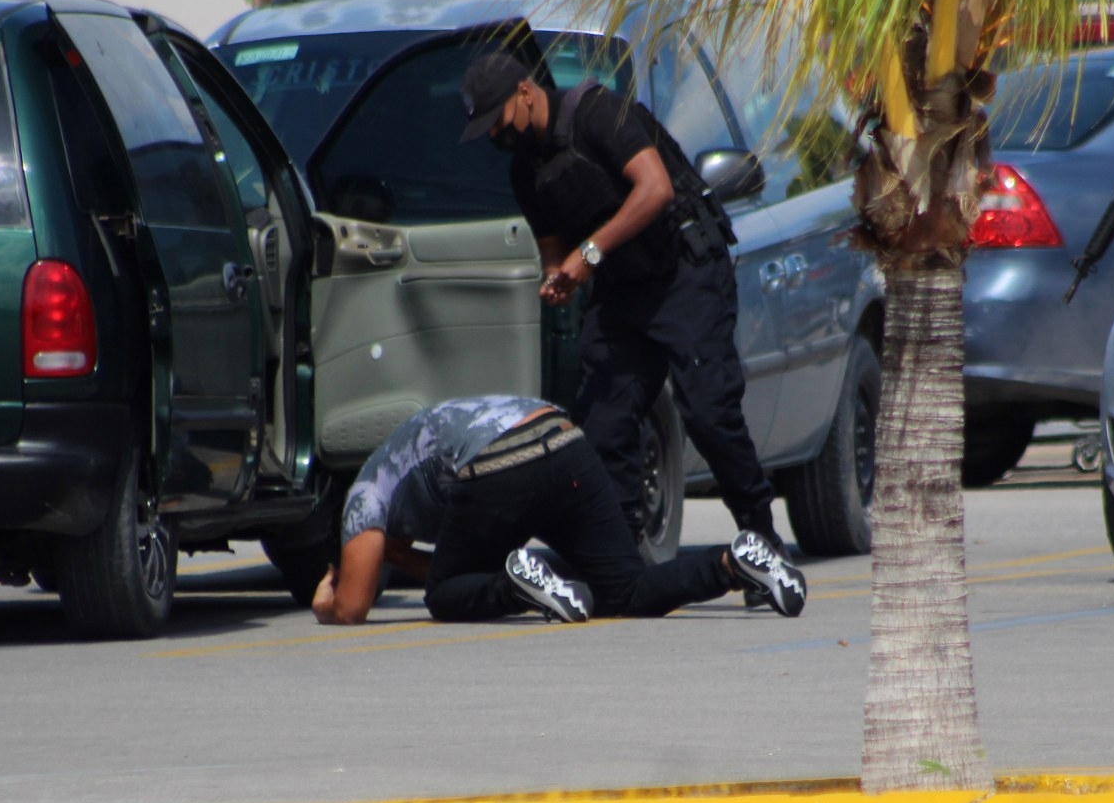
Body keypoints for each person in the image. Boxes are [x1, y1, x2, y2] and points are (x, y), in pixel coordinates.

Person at [457, 53, 785, 558]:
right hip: (623, 287)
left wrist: (587, 254)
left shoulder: (595, 113)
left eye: (498, 120)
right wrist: (556, 279)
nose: (498, 136)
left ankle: (762, 539)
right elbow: (552, 249)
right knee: (602, 422)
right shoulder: (526, 172)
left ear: (524, 92)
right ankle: (622, 556)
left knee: (708, 412)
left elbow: (653, 189)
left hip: (683, 271)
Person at [310, 396, 807, 625]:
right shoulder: (402, 469)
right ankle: (733, 564)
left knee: (442, 598)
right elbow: (460, 562)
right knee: (626, 589)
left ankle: (522, 586)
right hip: (562, 440)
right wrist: (405, 557)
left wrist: (324, 604)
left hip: (497, 463)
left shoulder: (363, 495)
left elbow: (354, 606)